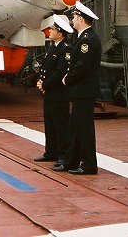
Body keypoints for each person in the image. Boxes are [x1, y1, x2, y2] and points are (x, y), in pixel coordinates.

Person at [54, 0, 101, 175]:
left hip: (84, 90)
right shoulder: (83, 38)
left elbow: (81, 66)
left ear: (81, 18)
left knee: (84, 129)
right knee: (76, 127)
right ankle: (72, 161)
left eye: (74, 16)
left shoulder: (86, 40)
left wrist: (68, 79)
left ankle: (89, 164)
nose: (72, 20)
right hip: (81, 91)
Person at [35, 14, 73, 166]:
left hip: (59, 93)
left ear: (60, 32)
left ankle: (63, 155)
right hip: (50, 92)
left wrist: (45, 84)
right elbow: (46, 68)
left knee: (61, 125)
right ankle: (51, 152)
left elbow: (60, 72)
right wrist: (40, 81)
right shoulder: (53, 47)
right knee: (50, 123)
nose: (49, 31)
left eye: (52, 29)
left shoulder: (66, 49)